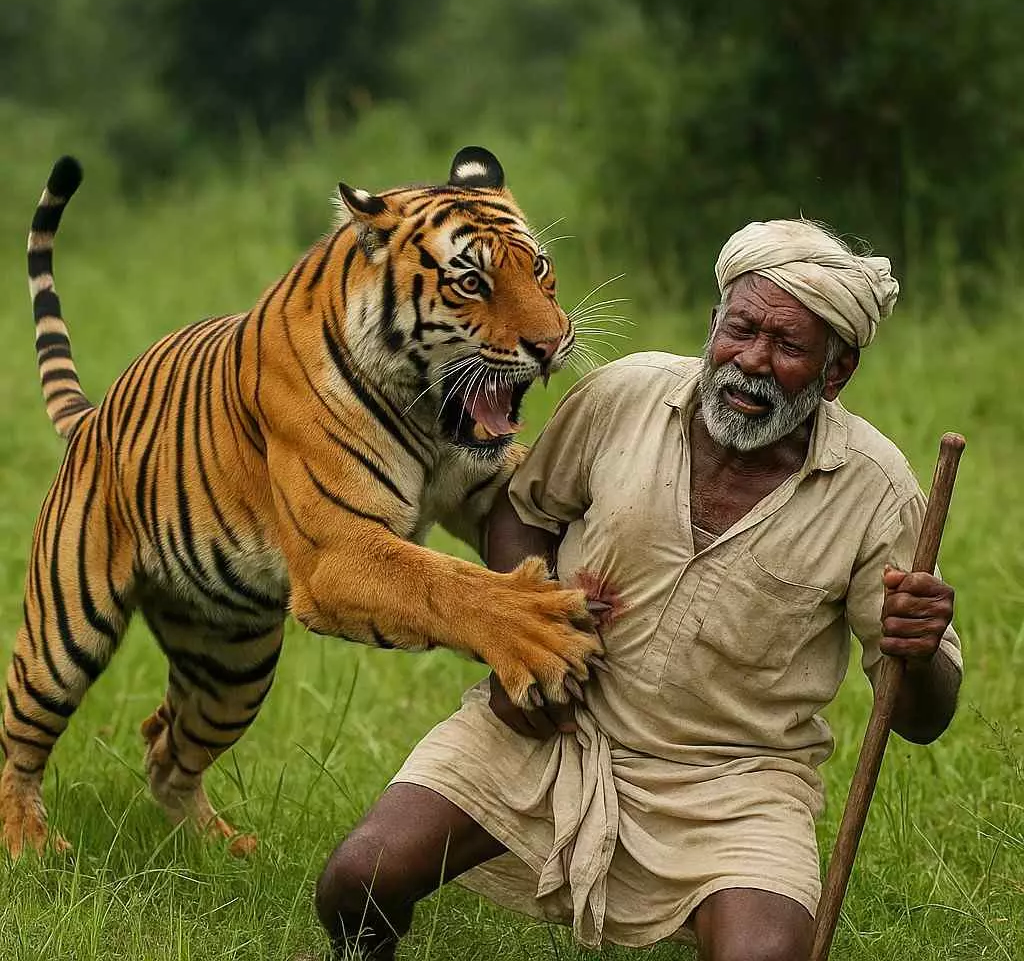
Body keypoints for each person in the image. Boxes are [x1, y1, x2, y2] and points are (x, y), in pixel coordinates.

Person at [314, 219, 963, 961]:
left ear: (836, 371)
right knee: (356, 883)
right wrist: (533, 637)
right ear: (714, 324)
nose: (751, 360)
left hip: (735, 786)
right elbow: (523, 513)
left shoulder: (877, 492)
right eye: (740, 329)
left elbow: (918, 718)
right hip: (557, 729)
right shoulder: (622, 396)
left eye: (788, 347)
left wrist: (916, 652)